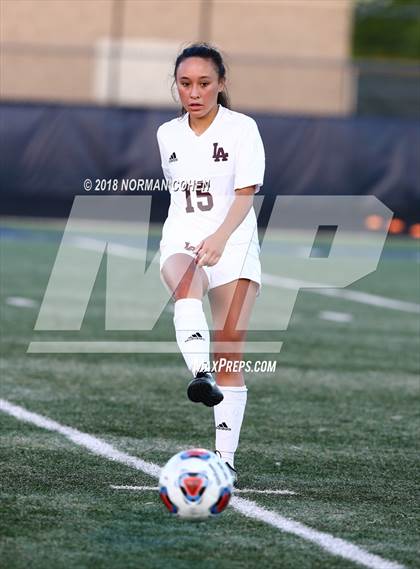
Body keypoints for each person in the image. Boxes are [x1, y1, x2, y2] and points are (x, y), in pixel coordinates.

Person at [156, 43, 265, 484]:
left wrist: (219, 239)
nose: (194, 92)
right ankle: (200, 374)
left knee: (230, 348)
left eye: (204, 83)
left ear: (221, 84)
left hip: (234, 241)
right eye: (185, 84)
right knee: (185, 282)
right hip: (181, 236)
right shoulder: (167, 134)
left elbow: (246, 192)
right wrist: (200, 238)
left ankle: (226, 459)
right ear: (176, 87)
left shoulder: (243, 128)